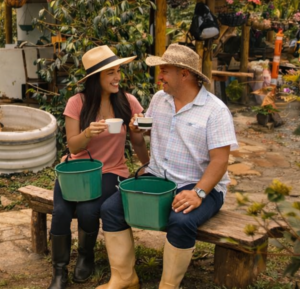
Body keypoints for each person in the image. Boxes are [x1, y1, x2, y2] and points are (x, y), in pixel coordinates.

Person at [98, 44, 238, 289]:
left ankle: (168, 285)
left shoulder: (215, 111)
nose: (159, 76)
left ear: (184, 74)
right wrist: (137, 131)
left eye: (164, 70)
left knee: (181, 221)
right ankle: (124, 277)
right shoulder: (159, 99)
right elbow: (147, 131)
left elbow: (220, 161)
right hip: (159, 177)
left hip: (200, 184)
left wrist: (198, 193)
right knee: (111, 209)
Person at [47, 46, 150, 289]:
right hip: (78, 169)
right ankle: (59, 272)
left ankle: (85, 256)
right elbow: (72, 147)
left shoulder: (128, 102)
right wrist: (87, 133)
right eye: (110, 73)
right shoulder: (77, 103)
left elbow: (137, 141)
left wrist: (146, 163)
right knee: (61, 211)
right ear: (95, 79)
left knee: (88, 210)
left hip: (112, 170)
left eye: (118, 71)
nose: (117, 78)